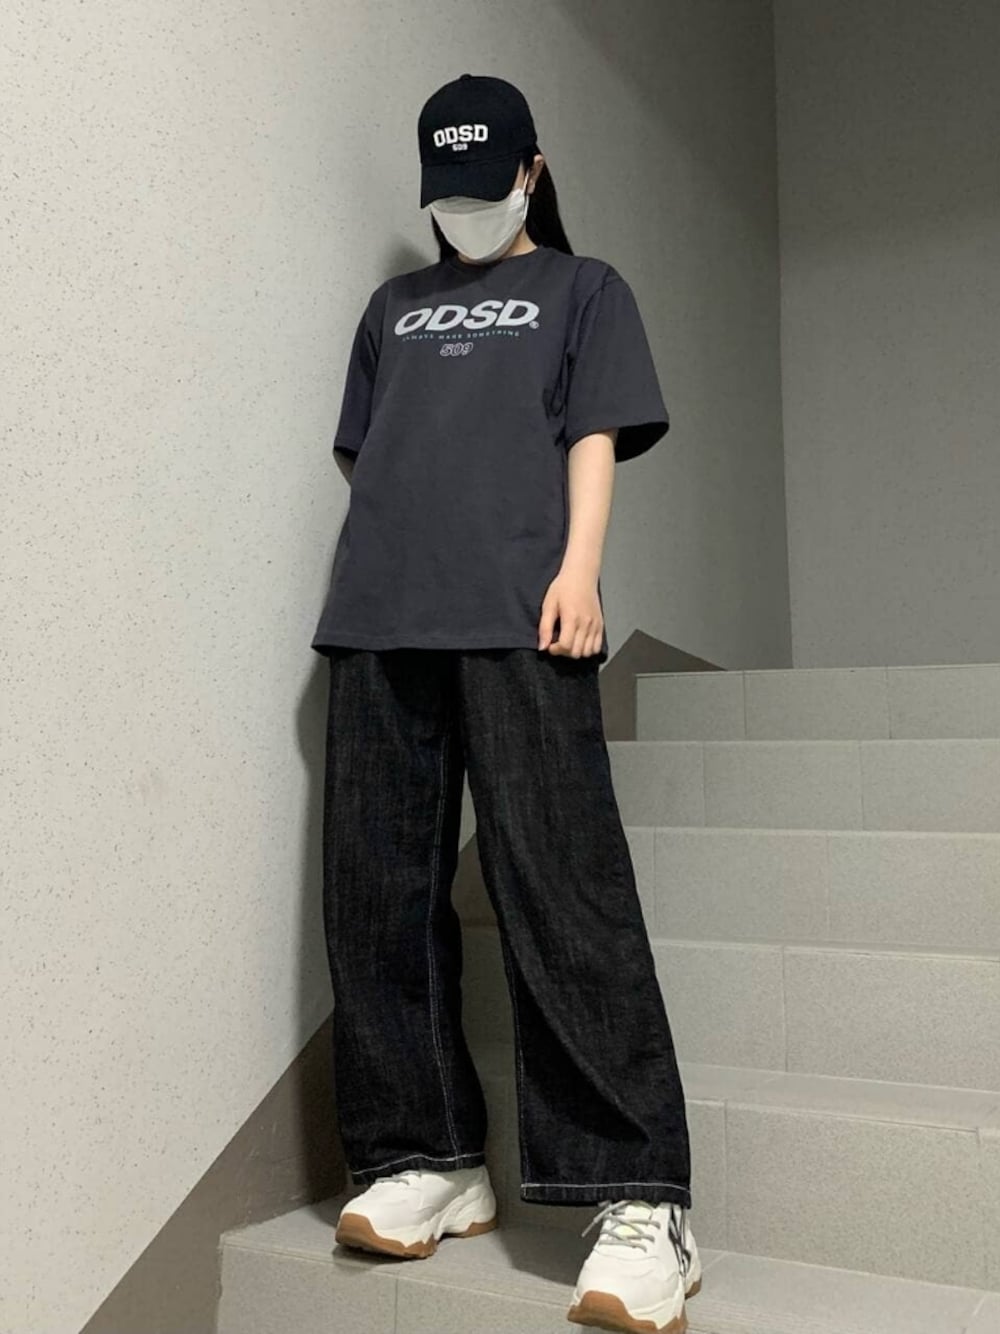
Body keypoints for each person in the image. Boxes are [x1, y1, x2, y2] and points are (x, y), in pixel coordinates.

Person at [311, 72, 700, 1334]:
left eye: (489, 186)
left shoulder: (584, 290)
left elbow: (592, 432)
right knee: (377, 897)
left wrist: (578, 569)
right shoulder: (392, 308)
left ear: (530, 173)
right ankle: (424, 1154)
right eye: (449, 191)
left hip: (526, 614)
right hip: (380, 619)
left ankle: (639, 1194)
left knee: (561, 892)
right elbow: (372, 458)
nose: (466, 210)